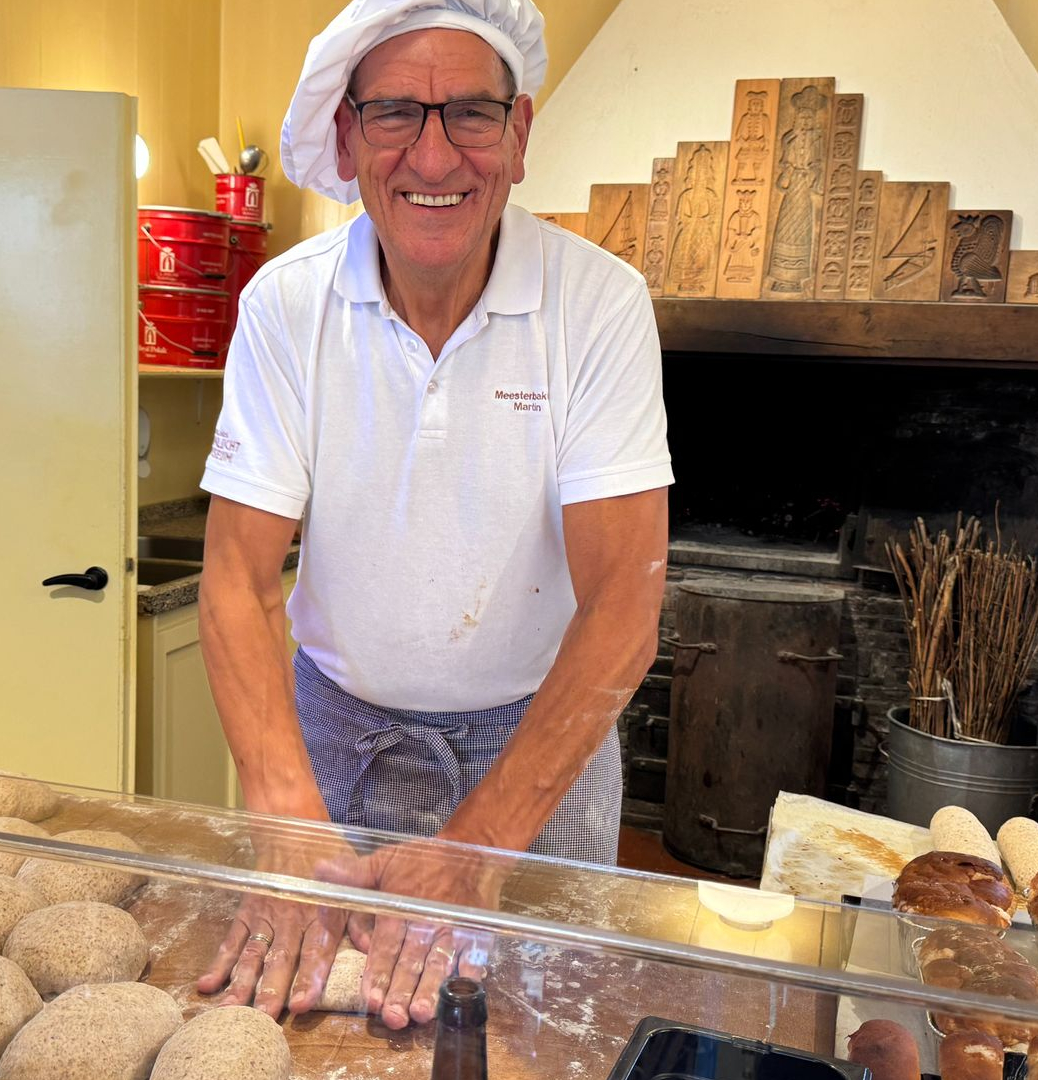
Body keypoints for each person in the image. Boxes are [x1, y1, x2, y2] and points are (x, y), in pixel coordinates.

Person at [194, 0, 671, 1030]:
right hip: (334, 749)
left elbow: (622, 608)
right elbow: (234, 582)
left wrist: (481, 846)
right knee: (316, 1033)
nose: (434, 154)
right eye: (396, 113)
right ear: (349, 136)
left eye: (470, 113)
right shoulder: (287, 306)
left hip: (539, 754)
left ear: (522, 135)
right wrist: (284, 816)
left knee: (541, 1035)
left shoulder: (597, 306)